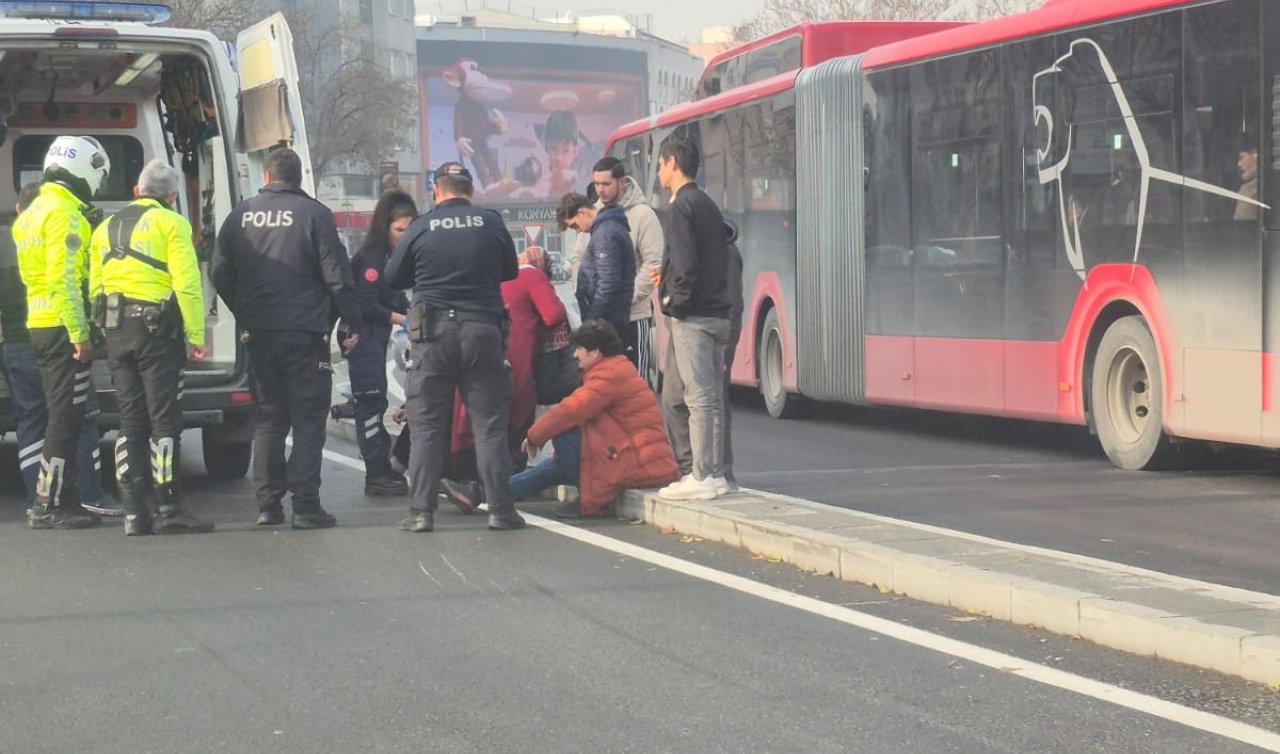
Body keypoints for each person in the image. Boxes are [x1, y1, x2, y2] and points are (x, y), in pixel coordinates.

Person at [212, 148, 360, 529]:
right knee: (309, 418)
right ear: (298, 178)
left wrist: (244, 311)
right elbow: (337, 277)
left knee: (268, 419)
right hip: (305, 332)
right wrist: (349, 321)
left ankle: (268, 505)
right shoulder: (315, 215)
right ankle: (306, 505)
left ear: (267, 177)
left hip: (259, 334)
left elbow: (220, 273)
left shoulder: (241, 215)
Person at [384, 162, 523, 533]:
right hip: (482, 330)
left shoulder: (421, 226)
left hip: (432, 335)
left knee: (427, 425)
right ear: (471, 191)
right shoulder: (491, 222)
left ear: (436, 192)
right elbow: (510, 270)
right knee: (489, 425)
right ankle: (501, 510)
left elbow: (393, 276)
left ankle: (421, 512)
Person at [88, 159, 213, 535]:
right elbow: (188, 284)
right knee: (164, 421)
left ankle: (133, 512)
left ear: (136, 192)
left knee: (130, 421)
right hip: (156, 333)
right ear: (172, 196)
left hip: (116, 331)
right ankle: (168, 507)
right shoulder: (172, 224)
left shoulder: (105, 228)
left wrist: (103, 328)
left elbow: (95, 286)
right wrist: (195, 334)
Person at [2, 183, 122, 518]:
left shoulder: (15, 240)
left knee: (31, 422)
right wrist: (82, 334)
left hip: (19, 343)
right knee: (76, 418)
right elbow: (72, 282)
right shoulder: (57, 237)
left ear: (17, 210)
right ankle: (89, 494)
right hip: (59, 334)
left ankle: (36, 495)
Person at [440, 245, 567, 513]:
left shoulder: (481, 278)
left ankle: (470, 484)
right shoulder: (532, 276)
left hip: (475, 356)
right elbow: (554, 315)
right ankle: (497, 490)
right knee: (516, 421)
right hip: (516, 360)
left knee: (479, 421)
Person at [517, 320, 679, 518]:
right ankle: (485, 494)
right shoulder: (614, 369)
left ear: (595, 352)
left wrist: (535, 436)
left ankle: (595, 499)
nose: (575, 354)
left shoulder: (609, 376)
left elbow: (571, 410)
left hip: (640, 464)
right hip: (633, 458)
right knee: (547, 471)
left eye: (579, 348)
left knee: (565, 435)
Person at [653, 137, 732, 502]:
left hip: (694, 316)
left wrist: (673, 301)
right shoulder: (707, 204)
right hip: (718, 313)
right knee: (711, 398)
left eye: (659, 164)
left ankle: (700, 475)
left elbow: (685, 262)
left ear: (672, 163)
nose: (658, 172)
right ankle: (713, 474)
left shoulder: (680, 206)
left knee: (697, 398)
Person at [660, 218, 744, 490]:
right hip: (682, 326)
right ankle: (696, 470)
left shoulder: (722, 251)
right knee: (679, 399)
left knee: (705, 401)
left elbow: (732, 304)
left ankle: (709, 472)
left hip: (698, 328)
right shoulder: (689, 245)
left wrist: (727, 349)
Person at [346, 189, 416, 496]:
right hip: (363, 340)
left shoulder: (393, 258)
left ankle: (384, 467)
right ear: (384, 227)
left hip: (378, 341)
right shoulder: (371, 258)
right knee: (371, 406)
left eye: (409, 230)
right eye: (399, 230)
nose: (405, 236)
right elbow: (366, 305)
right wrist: (403, 320)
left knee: (376, 402)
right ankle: (375, 472)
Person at [591, 157, 664, 374]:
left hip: (633, 317)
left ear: (622, 182)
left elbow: (654, 263)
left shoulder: (643, 216)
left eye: (606, 184)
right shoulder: (594, 214)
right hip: (599, 320)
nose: (600, 191)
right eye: (596, 184)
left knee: (635, 387)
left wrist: (623, 297)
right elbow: (580, 260)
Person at [557, 191, 635, 344]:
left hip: (606, 322)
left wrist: (592, 320)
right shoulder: (605, 229)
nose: (577, 230)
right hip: (608, 319)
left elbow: (607, 284)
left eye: (574, 225)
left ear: (582, 212)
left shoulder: (604, 233)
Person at [1235, 144, 1259, 221]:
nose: (1239, 164)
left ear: (1255, 155)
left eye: (1242, 157)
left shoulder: (1263, 185)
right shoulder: (1247, 186)